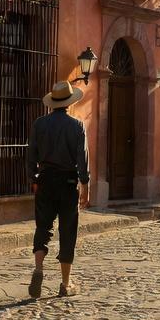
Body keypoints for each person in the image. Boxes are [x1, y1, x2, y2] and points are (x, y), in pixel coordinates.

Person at [26, 80, 91, 298]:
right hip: (69, 183)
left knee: (42, 227)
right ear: (69, 103)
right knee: (67, 231)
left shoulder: (39, 124)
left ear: (52, 102)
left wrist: (33, 178)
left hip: (45, 181)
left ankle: (38, 269)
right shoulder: (77, 125)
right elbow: (82, 159)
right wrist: (86, 185)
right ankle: (65, 283)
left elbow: (31, 156)